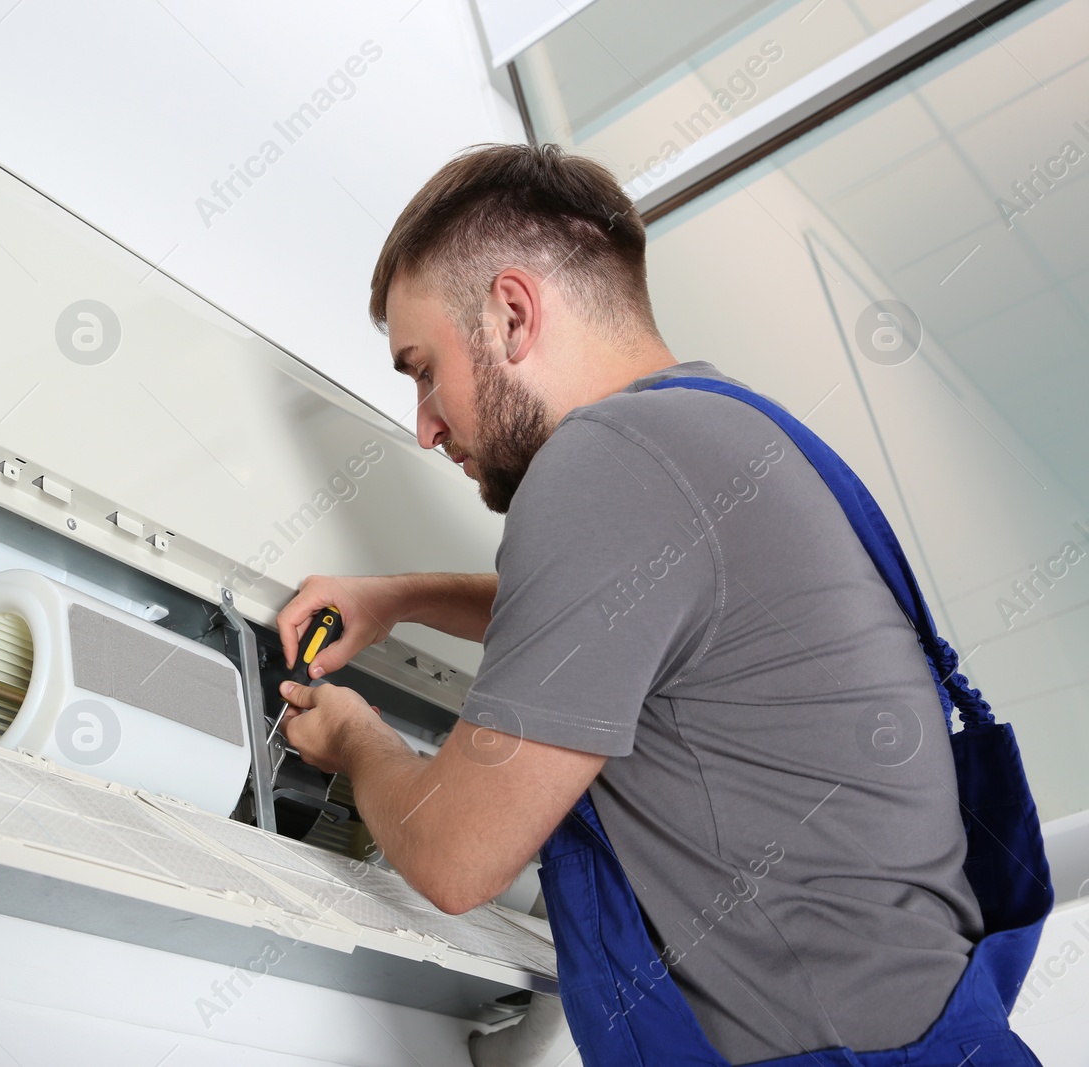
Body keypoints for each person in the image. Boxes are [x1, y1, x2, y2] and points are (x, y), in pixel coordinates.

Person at [273, 144, 1005, 1065]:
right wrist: (401, 598)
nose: (425, 425)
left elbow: (457, 857)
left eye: (422, 369)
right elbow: (632, 624)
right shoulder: (717, 429)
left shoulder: (605, 459)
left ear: (510, 312)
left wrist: (352, 737)